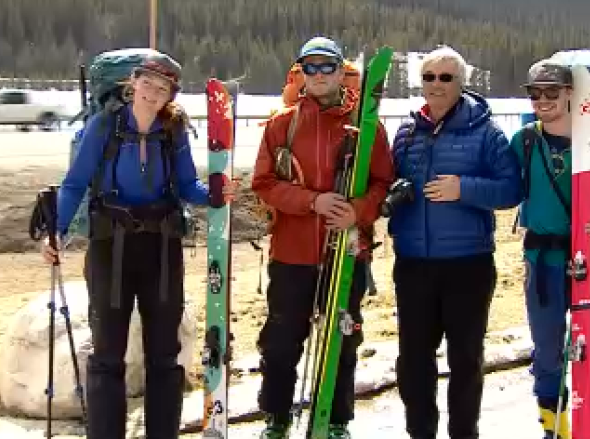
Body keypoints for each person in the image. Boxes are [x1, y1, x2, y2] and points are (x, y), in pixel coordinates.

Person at [41, 51, 228, 439]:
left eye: (163, 88)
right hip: (111, 248)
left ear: (170, 94)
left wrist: (215, 192)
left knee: (164, 354)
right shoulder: (104, 126)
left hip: (161, 250)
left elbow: (187, 185)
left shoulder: (172, 131)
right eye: (147, 83)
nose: (153, 93)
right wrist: (55, 230)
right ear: (133, 83)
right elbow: (75, 183)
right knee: (108, 354)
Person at [251, 36, 394, 439]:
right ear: (300, 72)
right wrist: (312, 202)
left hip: (346, 251)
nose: (318, 75)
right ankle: (276, 417)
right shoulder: (282, 124)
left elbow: (383, 182)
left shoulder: (366, 126)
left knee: (343, 338)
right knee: (281, 339)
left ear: (339, 71)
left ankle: (335, 420)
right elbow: (263, 183)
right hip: (292, 251)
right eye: (309, 67)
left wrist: (357, 210)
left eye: (326, 66)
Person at [386, 45, 521, 439]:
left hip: (468, 263)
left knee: (465, 359)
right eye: (428, 77)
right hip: (413, 262)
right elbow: (389, 180)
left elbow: (511, 189)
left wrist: (463, 188)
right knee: (413, 360)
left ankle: (465, 433)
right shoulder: (407, 132)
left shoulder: (488, 133)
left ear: (462, 83)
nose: (436, 84)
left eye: (446, 77)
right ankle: (420, 432)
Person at [510, 59, 590, 439]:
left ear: (570, 94)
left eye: (552, 92)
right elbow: (506, 188)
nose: (543, 100)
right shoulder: (524, 141)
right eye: (535, 93)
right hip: (541, 261)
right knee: (546, 348)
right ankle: (554, 426)